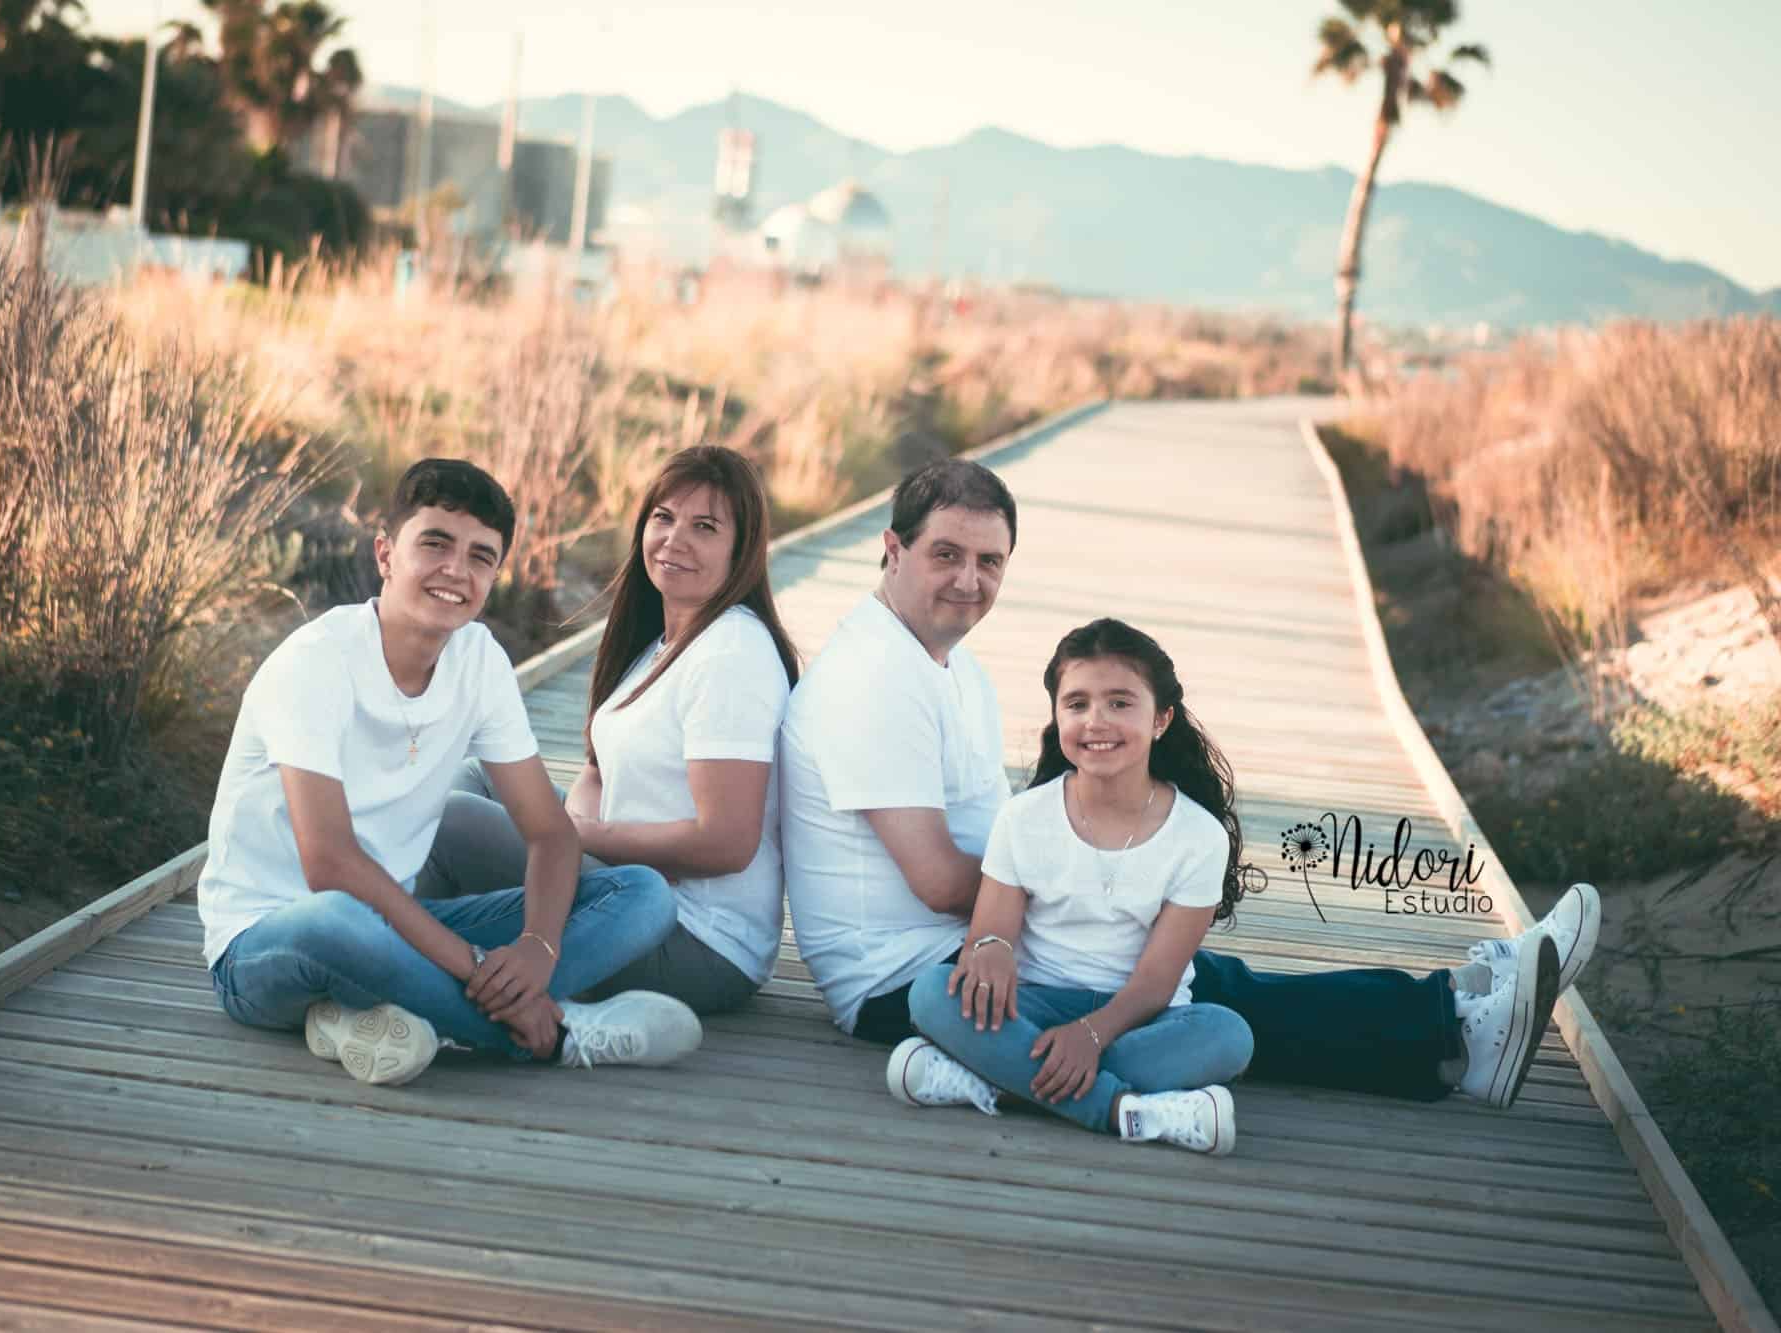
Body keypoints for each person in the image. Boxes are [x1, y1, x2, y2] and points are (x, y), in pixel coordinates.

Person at [779, 456, 1598, 1110]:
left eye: (989, 561)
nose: (968, 580)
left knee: (1190, 979)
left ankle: (1450, 1016)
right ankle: (1452, 1034)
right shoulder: (873, 680)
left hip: (975, 938)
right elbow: (935, 879)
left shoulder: (949, 667)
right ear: (891, 549)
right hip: (910, 977)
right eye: (945, 555)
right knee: (1199, 988)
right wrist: (1081, 890)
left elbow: (1009, 838)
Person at [197, 458, 703, 1087]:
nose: (456, 571)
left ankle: (365, 1014)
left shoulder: (479, 660)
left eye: (481, 557)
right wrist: (472, 967)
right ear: (386, 555)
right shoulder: (316, 662)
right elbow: (328, 862)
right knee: (338, 920)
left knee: (643, 895)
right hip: (266, 943)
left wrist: (536, 952)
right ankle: (560, 1035)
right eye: (434, 544)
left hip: (399, 926)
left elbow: (550, 833)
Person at [423, 447, 800, 1015]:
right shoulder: (663, 642)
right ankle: (422, 940)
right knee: (478, 776)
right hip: (623, 879)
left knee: (452, 819)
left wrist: (574, 838)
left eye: (705, 527)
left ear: (741, 550)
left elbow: (727, 842)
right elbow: (598, 773)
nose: (675, 540)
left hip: (693, 939)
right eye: (663, 518)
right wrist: (571, 827)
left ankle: (396, 952)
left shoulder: (733, 653)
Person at [896, 619, 1256, 1152]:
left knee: (1228, 1036)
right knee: (931, 994)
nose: (1096, 721)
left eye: (1119, 703)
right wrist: (990, 950)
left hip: (1140, 1017)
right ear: (1057, 715)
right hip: (1034, 1005)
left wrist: (1091, 1036)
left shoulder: (1198, 835)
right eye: (1077, 704)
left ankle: (995, 1082)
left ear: (1161, 719)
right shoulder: (1023, 818)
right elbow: (990, 933)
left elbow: (1156, 984)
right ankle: (1126, 1112)